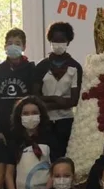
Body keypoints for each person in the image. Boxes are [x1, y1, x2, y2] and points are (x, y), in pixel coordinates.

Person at [5, 97, 55, 189]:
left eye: (34, 112)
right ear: (19, 117)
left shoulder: (50, 138)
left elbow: (55, 169)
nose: (30, 116)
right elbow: (9, 173)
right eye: (26, 113)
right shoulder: (14, 141)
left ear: (41, 115)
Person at [33, 22, 83, 160]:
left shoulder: (75, 67)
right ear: (50, 40)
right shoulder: (41, 66)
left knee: (64, 158)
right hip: (44, 121)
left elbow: (74, 100)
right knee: (44, 158)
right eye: (55, 40)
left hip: (66, 121)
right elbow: (35, 96)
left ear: (68, 41)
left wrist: (47, 103)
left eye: (62, 40)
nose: (58, 43)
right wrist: (56, 99)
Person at [0, 28, 36, 139]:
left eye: (17, 43)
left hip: (25, 125)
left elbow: (35, 98)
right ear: (5, 47)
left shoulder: (31, 69)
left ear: (24, 47)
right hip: (3, 125)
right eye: (10, 43)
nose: (13, 46)